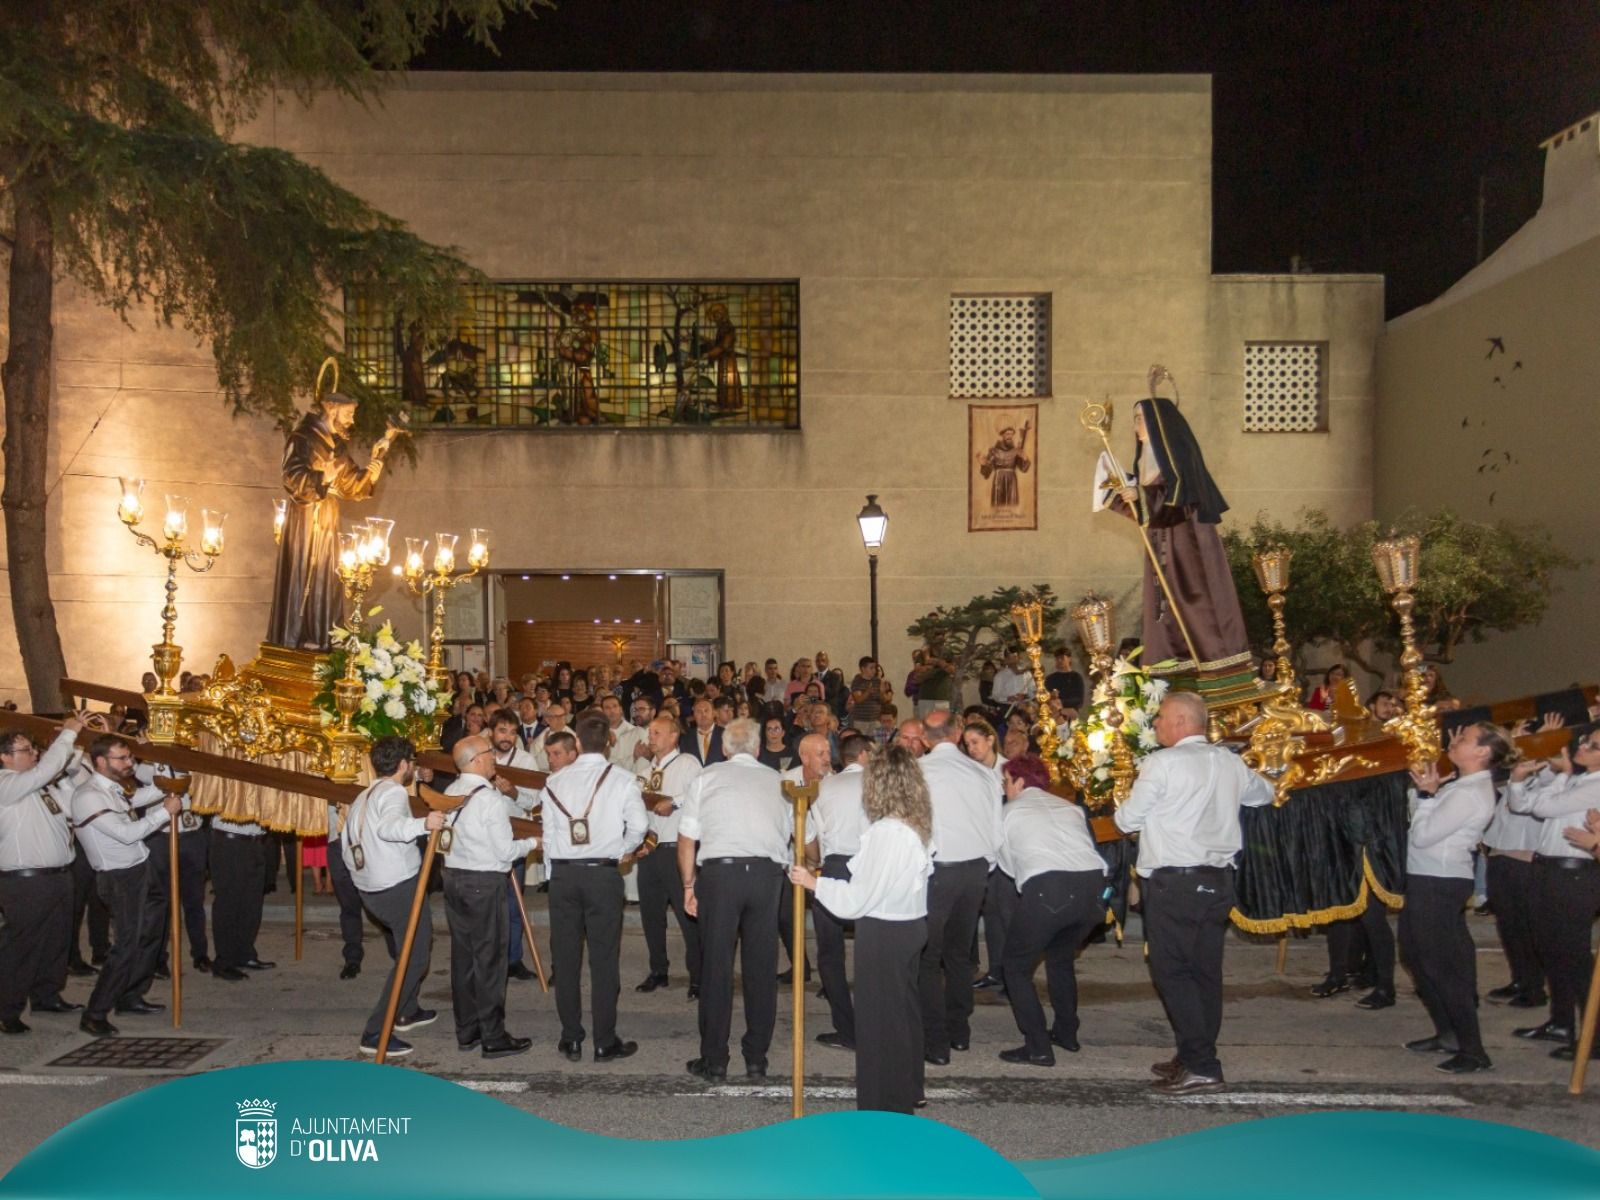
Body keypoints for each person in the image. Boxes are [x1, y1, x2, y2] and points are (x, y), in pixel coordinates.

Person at [1114, 691, 1274, 1094]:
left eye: (1161, 719)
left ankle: (1202, 1064)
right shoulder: (1229, 761)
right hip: (1216, 880)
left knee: (1174, 972)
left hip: (1175, 882)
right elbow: (1264, 794)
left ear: (1183, 721)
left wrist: (1127, 804)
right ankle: (1192, 1054)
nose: (1156, 726)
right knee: (1204, 972)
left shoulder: (1161, 764)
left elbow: (1126, 818)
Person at [791, 744, 934, 1113]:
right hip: (908, 924)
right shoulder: (914, 823)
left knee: (877, 1026)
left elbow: (858, 899)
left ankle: (883, 1107)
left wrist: (813, 883)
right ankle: (907, 1088)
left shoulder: (888, 831)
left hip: (885, 931)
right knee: (902, 1015)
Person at [1093, 393, 1251, 674]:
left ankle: (1212, 661)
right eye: (1134, 420)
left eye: (1140, 419)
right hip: (1162, 543)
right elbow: (1148, 515)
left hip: (1186, 545)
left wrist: (1140, 496)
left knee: (1193, 598)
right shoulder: (1146, 462)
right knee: (1165, 605)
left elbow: (1177, 504)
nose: (1135, 426)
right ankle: (1176, 665)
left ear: (1158, 423)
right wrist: (1124, 495)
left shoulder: (1179, 462)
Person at [678, 718, 791, 1081]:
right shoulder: (779, 781)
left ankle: (714, 1059)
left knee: (716, 967)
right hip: (765, 875)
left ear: (724, 749)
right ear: (758, 749)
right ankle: (756, 1057)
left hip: (720, 875)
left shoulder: (706, 777)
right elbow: (796, 833)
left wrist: (688, 886)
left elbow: (686, 839)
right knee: (761, 969)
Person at [540, 712, 649, 1063]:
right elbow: (640, 824)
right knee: (604, 959)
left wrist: (551, 874)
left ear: (577, 742)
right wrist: (621, 851)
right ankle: (605, 1040)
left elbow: (549, 836)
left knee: (566, 958)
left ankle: (571, 1038)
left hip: (564, 876)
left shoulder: (554, 782)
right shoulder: (622, 779)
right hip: (602, 874)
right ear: (609, 741)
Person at [1401, 723, 1509, 1073]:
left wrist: (1429, 797)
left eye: (1463, 739)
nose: (1454, 741)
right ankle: (1448, 1033)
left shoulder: (1470, 792)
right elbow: (1417, 821)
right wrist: (1424, 793)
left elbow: (1424, 835)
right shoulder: (1459, 785)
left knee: (1441, 967)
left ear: (1482, 753)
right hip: (1427, 877)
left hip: (1440, 881)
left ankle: (1473, 1050)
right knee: (1416, 958)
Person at [266, 383, 404, 649]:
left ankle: (321, 636)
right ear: (332, 409)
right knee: (304, 572)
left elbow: (351, 485)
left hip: (328, 517)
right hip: (305, 517)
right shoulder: (302, 438)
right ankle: (298, 637)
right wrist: (321, 477)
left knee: (326, 577)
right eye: (349, 413)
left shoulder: (337, 446)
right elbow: (291, 476)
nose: (352, 419)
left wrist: (372, 469)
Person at [995, 754, 1108, 1066]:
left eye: (1006, 781)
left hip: (1049, 887)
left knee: (1015, 967)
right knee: (1060, 959)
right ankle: (1067, 1032)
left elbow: (1007, 865)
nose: (1005, 788)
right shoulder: (1070, 808)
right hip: (1093, 888)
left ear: (1018, 781)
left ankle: (1037, 1045)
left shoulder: (1009, 811)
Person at [70, 735, 184, 1036]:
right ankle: (95, 1012)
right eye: (122, 759)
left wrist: (170, 790)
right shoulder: (88, 795)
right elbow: (126, 833)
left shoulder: (112, 789)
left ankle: (131, 994)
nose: (129, 763)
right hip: (119, 878)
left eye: (129, 758)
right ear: (101, 761)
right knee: (126, 946)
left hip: (140, 869)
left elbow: (134, 801)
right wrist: (165, 811)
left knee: (151, 935)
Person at [343, 736, 446, 1058]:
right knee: (414, 958)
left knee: (409, 949)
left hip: (372, 887)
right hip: (395, 888)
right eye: (412, 762)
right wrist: (424, 824)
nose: (413, 768)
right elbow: (389, 828)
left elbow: (349, 841)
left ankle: (407, 1011)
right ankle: (376, 1032)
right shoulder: (393, 792)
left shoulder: (365, 794)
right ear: (403, 765)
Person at [440, 735, 540, 1059]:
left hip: (454, 879)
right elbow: (506, 851)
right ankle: (493, 1035)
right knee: (490, 962)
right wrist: (533, 844)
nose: (494, 757)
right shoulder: (489, 799)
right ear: (476, 760)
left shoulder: (450, 792)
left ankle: (467, 1030)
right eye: (489, 753)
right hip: (484, 883)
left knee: (464, 958)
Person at [1506, 728, 1600, 1062]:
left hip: (1574, 872)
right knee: (1550, 950)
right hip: (1548, 868)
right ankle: (1561, 1022)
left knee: (1574, 955)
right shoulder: (1577, 779)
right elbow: (1522, 804)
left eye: (1594, 746)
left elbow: (1545, 808)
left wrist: (1560, 777)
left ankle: (1595, 1034)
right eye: (1586, 740)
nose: (1584, 746)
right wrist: (1520, 780)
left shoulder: (1595, 784)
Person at [916, 709, 1003, 1065]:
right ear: (956, 733)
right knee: (958, 955)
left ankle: (935, 1040)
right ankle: (959, 1031)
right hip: (974, 870)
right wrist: (985, 865)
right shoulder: (983, 774)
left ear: (924, 739)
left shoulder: (918, 772)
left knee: (926, 956)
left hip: (936, 870)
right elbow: (997, 830)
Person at [0, 718, 87, 1034]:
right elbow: (45, 770)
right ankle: (6, 1009)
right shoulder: (6, 784)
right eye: (25, 750)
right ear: (5, 757)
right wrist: (68, 733)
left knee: (55, 941)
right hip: (26, 881)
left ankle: (47, 995)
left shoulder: (39, 787)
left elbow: (70, 808)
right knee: (22, 946)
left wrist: (71, 761)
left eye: (34, 749)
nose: (33, 754)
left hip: (57, 876)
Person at [805, 731, 874, 1050]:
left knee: (830, 954)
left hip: (832, 866)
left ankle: (846, 1030)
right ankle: (877, 1023)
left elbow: (813, 836)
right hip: (869, 866)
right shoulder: (876, 782)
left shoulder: (823, 787)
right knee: (873, 949)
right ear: (863, 754)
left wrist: (815, 865)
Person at [634, 716, 704, 996]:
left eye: (657, 733)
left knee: (688, 916)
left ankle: (698, 976)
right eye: (650, 732)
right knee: (651, 914)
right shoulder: (644, 769)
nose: (651, 737)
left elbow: (701, 795)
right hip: (649, 849)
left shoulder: (688, 763)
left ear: (674, 736)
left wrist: (673, 802)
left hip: (678, 849)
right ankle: (658, 969)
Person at [1480, 749, 1548, 1012]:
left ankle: (1534, 988)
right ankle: (1519, 979)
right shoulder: (1511, 776)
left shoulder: (1546, 778)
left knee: (1525, 928)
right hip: (1500, 855)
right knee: (1508, 927)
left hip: (1524, 859)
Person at [487, 711, 541, 983]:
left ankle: (513, 959)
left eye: (511, 732)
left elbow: (534, 802)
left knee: (513, 901)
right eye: (501, 731)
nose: (506, 737)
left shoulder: (525, 760)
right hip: (484, 840)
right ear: (491, 732)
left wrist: (513, 793)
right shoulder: (481, 757)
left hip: (515, 836)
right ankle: (490, 958)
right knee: (487, 902)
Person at [777, 733, 830, 984]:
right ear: (804, 756)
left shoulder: (835, 782)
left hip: (825, 862)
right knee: (786, 918)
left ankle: (830, 976)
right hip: (792, 863)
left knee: (826, 922)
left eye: (829, 753)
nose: (827, 759)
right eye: (821, 754)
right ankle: (800, 965)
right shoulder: (785, 781)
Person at [680, 698, 725, 766]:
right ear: (694, 716)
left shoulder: (725, 734)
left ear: (714, 713)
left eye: (706, 710)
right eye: (698, 711)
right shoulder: (685, 739)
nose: (703, 714)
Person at [1043, 647, 1086, 716]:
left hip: (1071, 712)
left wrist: (1061, 702)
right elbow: (1045, 697)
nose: (1059, 661)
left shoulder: (1076, 677)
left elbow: (1079, 700)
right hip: (1053, 713)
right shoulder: (1050, 678)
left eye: (1062, 658)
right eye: (1057, 659)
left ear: (1069, 659)